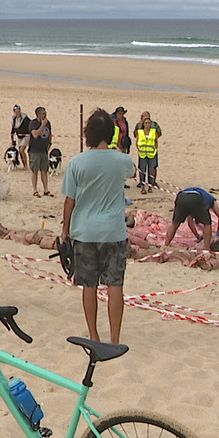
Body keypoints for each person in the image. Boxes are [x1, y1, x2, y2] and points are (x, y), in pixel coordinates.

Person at [62, 110, 136, 343]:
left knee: (89, 285)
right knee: (115, 286)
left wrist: (65, 230)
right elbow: (131, 171)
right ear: (111, 133)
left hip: (84, 231)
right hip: (113, 230)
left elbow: (69, 201)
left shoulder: (77, 162)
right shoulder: (121, 161)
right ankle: (114, 339)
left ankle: (94, 334)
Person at [164, 187, 219, 252]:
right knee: (207, 223)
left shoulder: (203, 194)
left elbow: (190, 222)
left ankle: (165, 246)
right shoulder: (212, 200)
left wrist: (197, 236)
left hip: (181, 196)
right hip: (196, 197)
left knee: (175, 223)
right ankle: (206, 249)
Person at [28, 106, 53, 197]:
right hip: (35, 150)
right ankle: (35, 190)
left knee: (44, 170)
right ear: (38, 114)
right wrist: (42, 125)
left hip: (44, 150)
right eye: (43, 113)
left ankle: (46, 189)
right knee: (35, 170)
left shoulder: (48, 123)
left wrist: (50, 143)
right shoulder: (33, 123)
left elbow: (49, 133)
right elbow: (35, 134)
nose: (45, 115)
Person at [135, 112, 159, 194]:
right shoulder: (140, 132)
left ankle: (150, 186)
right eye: (146, 123)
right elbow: (137, 142)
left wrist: (154, 149)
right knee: (142, 171)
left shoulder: (153, 131)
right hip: (142, 154)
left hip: (151, 154)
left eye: (149, 123)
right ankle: (142, 187)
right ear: (143, 124)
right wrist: (139, 149)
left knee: (151, 171)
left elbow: (156, 141)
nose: (147, 124)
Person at [10, 105, 31, 169]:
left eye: (18, 111)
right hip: (19, 136)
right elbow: (13, 128)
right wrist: (12, 138)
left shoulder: (25, 118)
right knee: (20, 151)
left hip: (26, 136)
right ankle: (24, 165)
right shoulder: (14, 119)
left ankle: (26, 166)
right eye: (16, 112)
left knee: (22, 150)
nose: (17, 113)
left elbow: (30, 125)